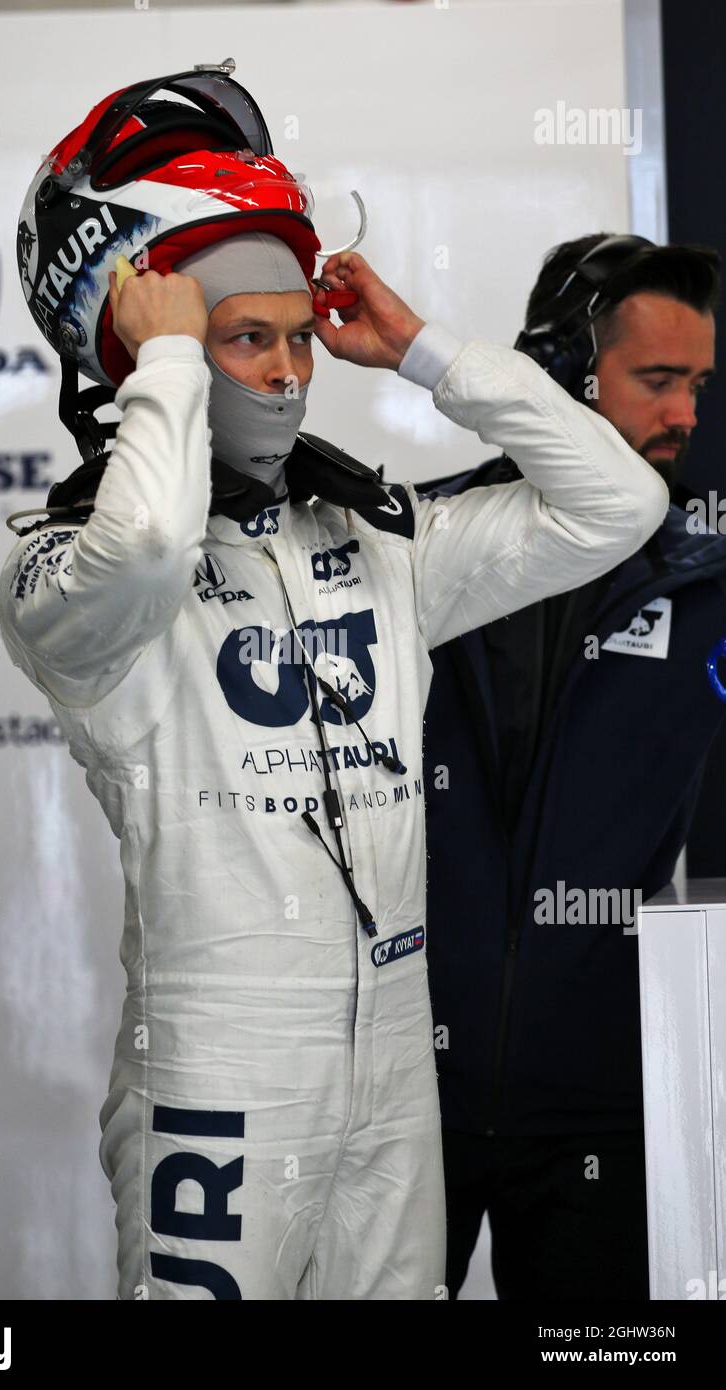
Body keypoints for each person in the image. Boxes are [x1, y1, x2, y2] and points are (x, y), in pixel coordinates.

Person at [0, 73, 669, 1300]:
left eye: (297, 335)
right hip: (220, 1066)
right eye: (243, 338)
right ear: (145, 352)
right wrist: (162, 365)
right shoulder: (66, 572)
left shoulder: (380, 538)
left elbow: (617, 505)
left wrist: (420, 350)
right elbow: (145, 542)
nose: (288, 372)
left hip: (396, 1057)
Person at [416, 233, 724, 1301]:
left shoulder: (707, 588)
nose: (685, 414)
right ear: (558, 371)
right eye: (657, 379)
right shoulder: (410, 545)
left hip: (607, 1113)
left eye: (696, 385)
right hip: (401, 1097)